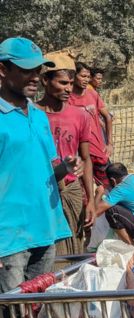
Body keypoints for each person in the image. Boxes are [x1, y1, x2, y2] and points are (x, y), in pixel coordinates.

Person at [0, 37, 78, 292]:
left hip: (44, 230)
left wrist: (64, 169)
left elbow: (44, 174)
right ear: (3, 70)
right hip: (9, 240)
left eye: (37, 70)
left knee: (38, 316)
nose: (34, 77)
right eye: (26, 70)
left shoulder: (38, 116)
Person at [36, 52, 96, 255]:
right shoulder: (32, 115)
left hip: (72, 191)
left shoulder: (80, 116)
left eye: (71, 83)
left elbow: (86, 159)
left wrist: (90, 200)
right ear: (45, 80)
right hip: (41, 192)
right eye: (62, 83)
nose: (68, 88)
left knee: (73, 250)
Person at [69, 62, 113, 186]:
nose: (86, 80)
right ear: (74, 76)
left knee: (107, 188)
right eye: (83, 76)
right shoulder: (67, 98)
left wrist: (109, 143)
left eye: (88, 77)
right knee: (82, 193)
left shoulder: (92, 94)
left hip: (98, 150)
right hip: (78, 153)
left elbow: (107, 117)